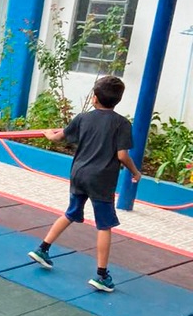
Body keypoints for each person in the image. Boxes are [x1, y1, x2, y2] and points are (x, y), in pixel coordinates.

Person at [28, 75, 141, 293]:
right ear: (117, 100)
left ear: (94, 98)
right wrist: (135, 172)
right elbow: (122, 155)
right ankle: (101, 275)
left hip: (79, 174)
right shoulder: (122, 124)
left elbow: (58, 137)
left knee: (70, 212)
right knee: (104, 225)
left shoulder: (83, 118)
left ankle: (43, 248)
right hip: (101, 179)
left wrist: (48, 134)